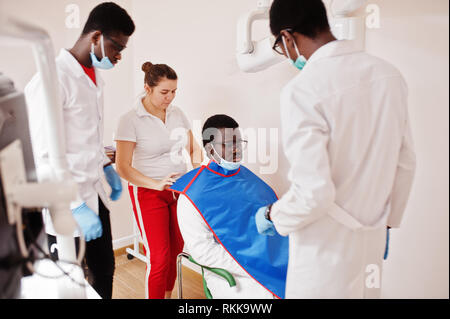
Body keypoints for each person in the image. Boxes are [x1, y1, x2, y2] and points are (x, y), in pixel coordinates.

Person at [255, 0, 416, 298]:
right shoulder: (389, 75)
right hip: (370, 244)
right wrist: (388, 223)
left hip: (323, 257)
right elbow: (405, 163)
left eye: (281, 46)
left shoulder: (302, 90)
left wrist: (274, 216)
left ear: (288, 38)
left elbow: (314, 193)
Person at [24, 2, 135, 299]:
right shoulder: (51, 79)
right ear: (96, 37)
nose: (119, 57)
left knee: (104, 270)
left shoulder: (95, 76)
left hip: (93, 193)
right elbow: (40, 154)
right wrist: (73, 205)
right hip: (64, 203)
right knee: (69, 283)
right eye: (117, 48)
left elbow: (85, 137)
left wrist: (105, 166)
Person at [170, 115, 289, 299]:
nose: (237, 149)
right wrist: (252, 262)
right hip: (232, 269)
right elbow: (203, 251)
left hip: (270, 257)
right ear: (210, 150)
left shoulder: (248, 178)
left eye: (239, 142)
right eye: (228, 143)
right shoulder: (192, 194)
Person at [115, 61, 203, 299]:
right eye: (164, 92)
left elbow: (194, 149)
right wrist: (155, 184)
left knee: (175, 252)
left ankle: (166, 296)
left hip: (179, 191)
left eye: (174, 91)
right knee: (159, 257)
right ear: (148, 88)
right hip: (148, 191)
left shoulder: (177, 113)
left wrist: (197, 174)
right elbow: (122, 166)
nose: (170, 97)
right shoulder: (130, 119)